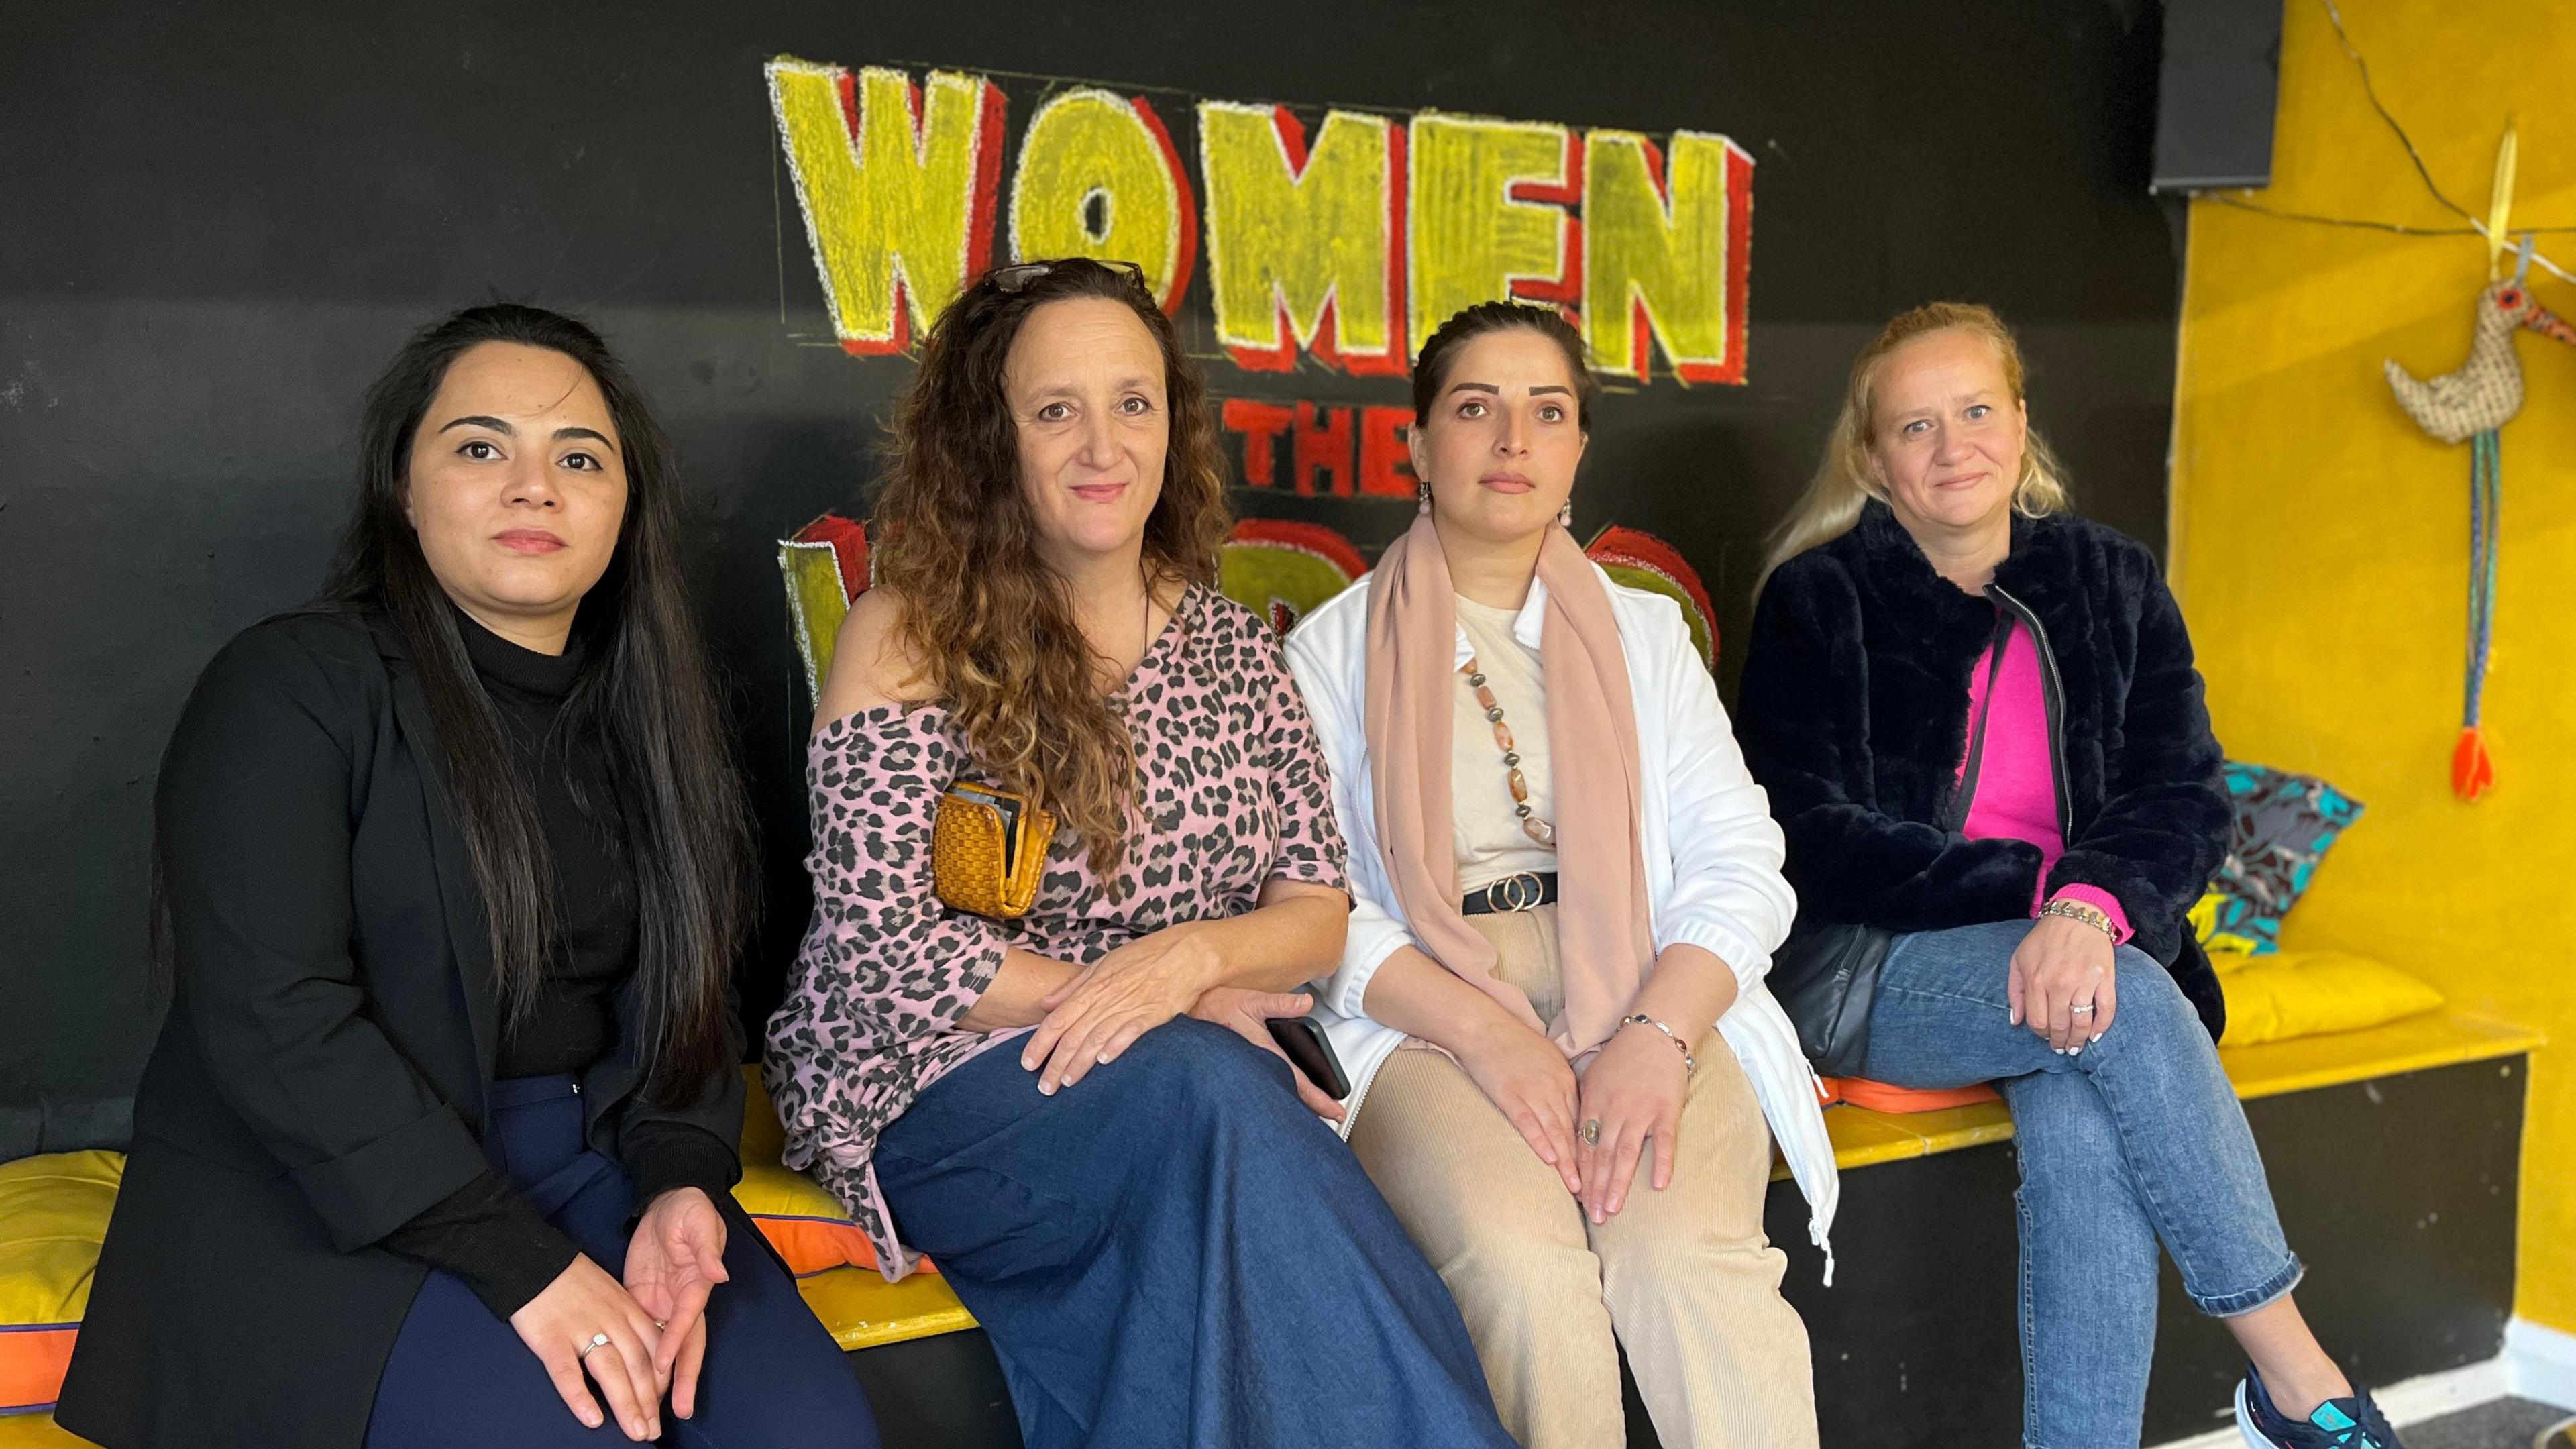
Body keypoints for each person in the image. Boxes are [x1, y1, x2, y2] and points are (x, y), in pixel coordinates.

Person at [58, 305, 881, 1449]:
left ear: (624, 508)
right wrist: (529, 1272)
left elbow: (681, 1016)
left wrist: (683, 1185)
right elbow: (276, 1023)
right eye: (481, 447)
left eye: (579, 458)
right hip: (329, 1194)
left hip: (587, 1159)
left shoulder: (649, 719)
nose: (533, 487)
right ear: (404, 487)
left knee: (808, 1433)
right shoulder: (291, 687)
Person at [763, 258, 1515, 1449]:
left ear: (1173, 427)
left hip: (1184, 1096)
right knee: (1217, 1099)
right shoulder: (909, 635)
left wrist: (1187, 965)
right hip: (928, 1089)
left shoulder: (1230, 646)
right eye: (1055, 409)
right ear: (990, 440)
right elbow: (886, 950)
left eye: (1132, 403)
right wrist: (1151, 1012)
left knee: (1217, 1159)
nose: (1101, 444)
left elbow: (1316, 909)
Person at [1735, 301, 2407, 1449]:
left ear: (2023, 421)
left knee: (2087, 1092)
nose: (1955, 448)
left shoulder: (2112, 579)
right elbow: (1807, 828)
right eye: (1917, 426)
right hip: (1870, 970)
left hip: (2078, 964)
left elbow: (2184, 796)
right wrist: (2044, 903)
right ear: (1870, 458)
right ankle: (2299, 1381)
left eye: (1978, 411)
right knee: (2122, 1002)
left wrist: (2088, 908)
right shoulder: (1821, 599)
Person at [1281, 300, 1839, 1449]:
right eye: (1474, 408)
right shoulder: (1324, 654)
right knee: (1529, 1274)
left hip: (1647, 984)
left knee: (1687, 1262)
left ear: (1580, 449)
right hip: (1432, 1007)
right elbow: (1321, 906)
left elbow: (1743, 863)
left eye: (1548, 412)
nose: (1512, 441)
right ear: (1418, 444)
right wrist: (1491, 1036)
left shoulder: (1646, 636)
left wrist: (1657, 1037)